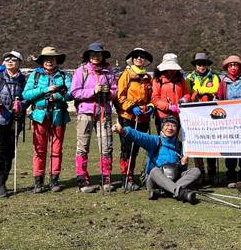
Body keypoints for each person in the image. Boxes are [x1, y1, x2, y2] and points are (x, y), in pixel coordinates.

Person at [112, 117, 200, 203]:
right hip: (155, 181)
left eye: (173, 126)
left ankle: (169, 191)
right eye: (167, 125)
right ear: (162, 127)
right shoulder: (155, 140)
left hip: (174, 177)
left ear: (177, 129)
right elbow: (139, 136)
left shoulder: (180, 145)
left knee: (196, 171)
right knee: (154, 170)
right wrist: (123, 131)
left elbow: (182, 170)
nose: (170, 128)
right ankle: (179, 192)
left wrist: (183, 164)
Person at [22, 46, 72, 193]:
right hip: (39, 116)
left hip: (58, 115)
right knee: (39, 149)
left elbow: (71, 94)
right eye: (46, 59)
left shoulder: (64, 76)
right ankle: (38, 182)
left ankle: (54, 180)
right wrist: (45, 90)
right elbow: (26, 94)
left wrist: (57, 96)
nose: (49, 61)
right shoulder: (35, 76)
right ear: (42, 61)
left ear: (57, 60)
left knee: (56, 149)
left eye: (52, 59)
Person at [70, 42, 118, 193]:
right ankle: (82, 180)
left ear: (103, 56)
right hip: (85, 113)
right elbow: (75, 92)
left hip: (104, 112)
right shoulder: (81, 71)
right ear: (88, 56)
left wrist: (107, 93)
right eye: (93, 54)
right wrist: (92, 91)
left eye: (98, 54)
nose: (96, 57)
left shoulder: (108, 72)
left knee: (106, 145)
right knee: (83, 146)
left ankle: (106, 177)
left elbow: (115, 91)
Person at [0, 51, 26, 197]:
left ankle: (3, 181)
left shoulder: (23, 80)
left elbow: (27, 97)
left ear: (19, 62)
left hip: (15, 120)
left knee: (10, 153)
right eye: (7, 59)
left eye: (13, 59)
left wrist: (21, 104)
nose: (10, 61)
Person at [115, 47, 155, 191]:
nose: (139, 58)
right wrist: (131, 107)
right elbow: (120, 96)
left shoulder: (147, 78)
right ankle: (126, 178)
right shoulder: (126, 75)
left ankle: (137, 175)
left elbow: (151, 97)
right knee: (127, 148)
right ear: (132, 59)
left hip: (143, 117)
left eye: (142, 57)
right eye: (137, 56)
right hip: (128, 116)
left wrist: (151, 106)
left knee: (136, 148)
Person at [215, 55, 241, 187]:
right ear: (227, 68)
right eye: (230, 65)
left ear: (240, 67)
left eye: (235, 65)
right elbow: (219, 98)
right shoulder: (223, 82)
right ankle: (231, 175)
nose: (233, 67)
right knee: (231, 145)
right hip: (229, 121)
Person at [186, 52, 220, 185]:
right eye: (199, 64)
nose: (202, 66)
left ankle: (211, 174)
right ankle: (199, 174)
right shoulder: (189, 77)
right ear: (195, 65)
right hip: (194, 116)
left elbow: (216, 89)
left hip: (210, 116)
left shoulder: (214, 76)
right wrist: (204, 90)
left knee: (211, 144)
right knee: (197, 145)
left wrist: (199, 91)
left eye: (204, 64)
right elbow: (188, 93)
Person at [151, 53, 190, 134]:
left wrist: (184, 99)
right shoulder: (158, 80)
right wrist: (168, 107)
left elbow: (187, 94)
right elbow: (155, 98)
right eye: (169, 68)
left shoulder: (181, 80)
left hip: (178, 115)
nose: (172, 71)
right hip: (162, 116)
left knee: (174, 140)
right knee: (164, 140)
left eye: (174, 68)